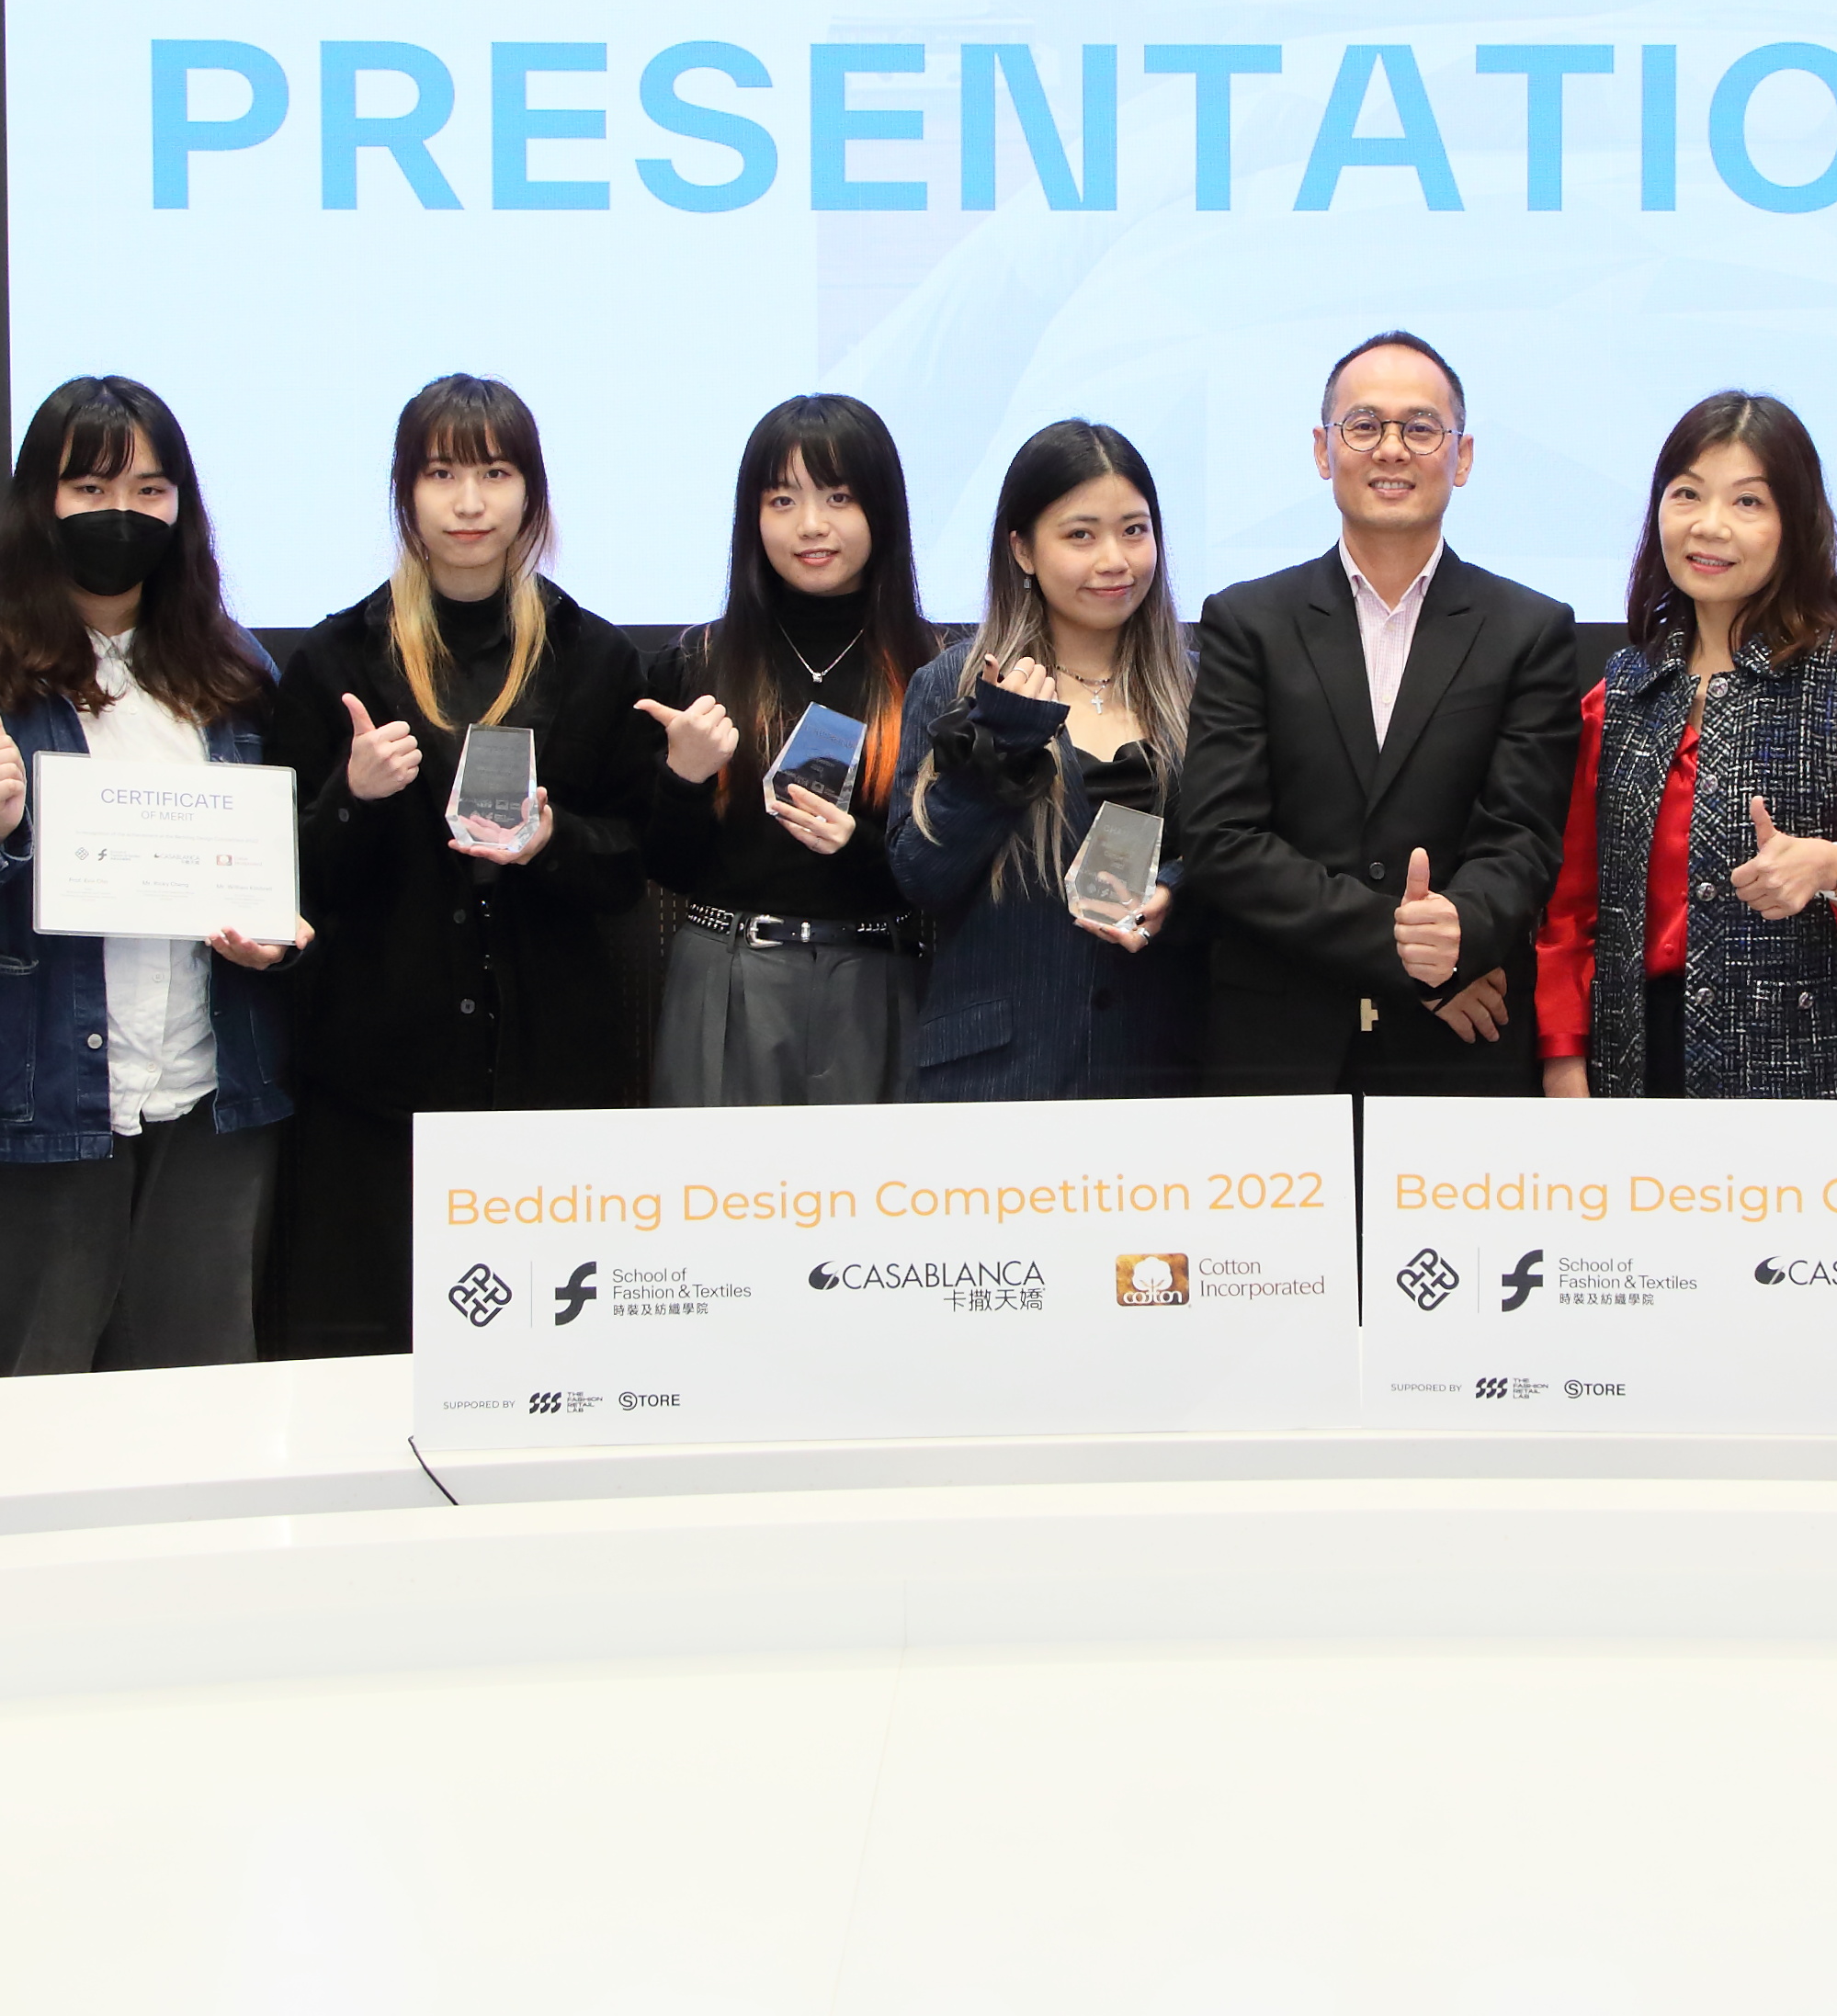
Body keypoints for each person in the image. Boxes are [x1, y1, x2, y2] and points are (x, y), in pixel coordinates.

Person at [0, 379, 300, 1376]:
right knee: (31, 1412)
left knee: (203, 1412)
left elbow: (282, 861)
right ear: (38, 501)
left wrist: (281, 930)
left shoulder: (233, 669)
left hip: (210, 1103)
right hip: (26, 1111)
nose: (122, 514)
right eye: (90, 488)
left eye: (150, 491)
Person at [265, 375, 650, 1357]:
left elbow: (629, 869)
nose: (469, 502)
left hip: (551, 1068)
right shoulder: (335, 662)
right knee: (370, 1358)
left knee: (547, 1356)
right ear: (405, 493)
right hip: (374, 1080)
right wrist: (350, 792)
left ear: (532, 491)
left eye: (495, 473)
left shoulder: (596, 658)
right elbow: (286, 884)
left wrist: (552, 845)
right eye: (440, 474)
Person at [1169, 331, 1582, 1095]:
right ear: (1323, 450)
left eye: (1420, 427)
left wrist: (1460, 928)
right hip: (1277, 1047)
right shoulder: (1247, 621)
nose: (1391, 448)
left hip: (1458, 1056)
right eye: (1363, 425)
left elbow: (1523, 836)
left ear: (1461, 456)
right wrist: (1413, 954)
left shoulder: (1529, 629)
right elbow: (1221, 837)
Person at [1533, 394, 1837, 1100]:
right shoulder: (1619, 692)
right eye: (1687, 493)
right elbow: (1569, 909)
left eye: (1747, 501)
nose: (1709, 524)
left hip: (1804, 1081)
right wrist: (1563, 1056)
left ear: (1795, 523)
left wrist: (1835, 868)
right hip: (1632, 1066)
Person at [635, 394, 939, 1107]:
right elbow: (661, 866)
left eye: (839, 497)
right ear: (753, 517)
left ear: (882, 510)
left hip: (876, 975)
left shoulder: (932, 669)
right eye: (782, 499)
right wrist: (683, 778)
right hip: (726, 971)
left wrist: (857, 846)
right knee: (713, 1178)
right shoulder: (699, 661)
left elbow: (947, 868)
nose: (811, 525)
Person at [888, 422, 1204, 1101]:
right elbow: (920, 877)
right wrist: (1001, 744)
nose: (1115, 560)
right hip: (996, 1076)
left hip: (1160, 1068)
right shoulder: (955, 685)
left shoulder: (1199, 688)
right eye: (1080, 535)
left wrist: (1174, 891)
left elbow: (1235, 848)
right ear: (1022, 550)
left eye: (1135, 530)